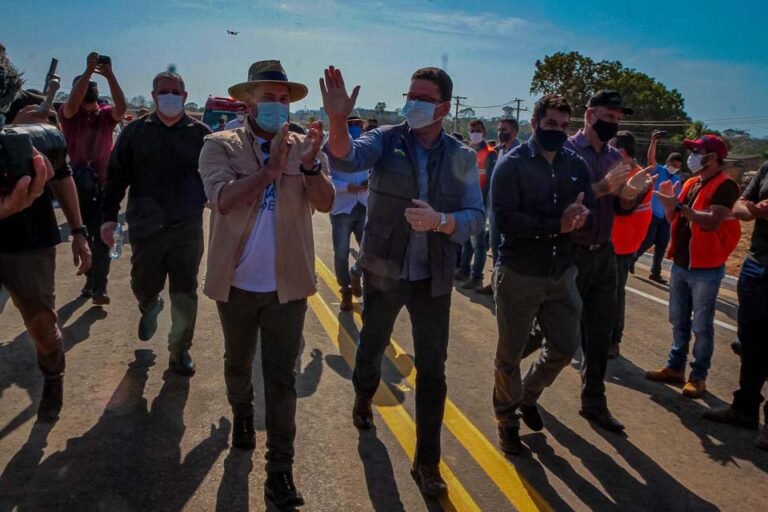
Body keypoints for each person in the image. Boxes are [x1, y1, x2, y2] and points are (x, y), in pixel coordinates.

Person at [321, 65, 484, 497]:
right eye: (411, 96)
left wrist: (442, 221)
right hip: (384, 270)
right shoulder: (386, 139)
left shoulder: (462, 157)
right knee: (372, 346)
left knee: (433, 370)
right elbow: (346, 158)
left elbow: (476, 216)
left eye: (423, 99)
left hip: (433, 277)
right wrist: (337, 120)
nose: (413, 104)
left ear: (444, 108)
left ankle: (427, 461)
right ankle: (364, 395)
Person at [199, 60, 333, 510]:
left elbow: (326, 203)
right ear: (247, 102)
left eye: (283, 99)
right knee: (238, 363)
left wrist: (310, 169)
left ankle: (280, 470)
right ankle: (241, 411)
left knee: (281, 379)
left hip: (286, 290)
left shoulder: (304, 147)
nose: (278, 106)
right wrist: (270, 170)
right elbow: (222, 199)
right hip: (236, 284)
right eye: (268, 98)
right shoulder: (219, 145)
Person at [490, 94, 594, 455]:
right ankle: (507, 419)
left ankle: (528, 394)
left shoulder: (575, 164)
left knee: (564, 347)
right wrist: (557, 225)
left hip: (561, 272)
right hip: (520, 272)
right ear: (534, 123)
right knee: (509, 354)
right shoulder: (512, 165)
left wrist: (581, 218)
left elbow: (586, 209)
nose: (558, 131)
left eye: (564, 126)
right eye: (551, 124)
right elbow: (505, 221)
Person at [0, 46, 92, 421]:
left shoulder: (30, 105)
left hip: (28, 241)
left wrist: (79, 230)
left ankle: (53, 376)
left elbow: (61, 173)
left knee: (42, 327)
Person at [100, 71, 211, 377]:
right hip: (145, 227)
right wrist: (108, 217)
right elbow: (115, 176)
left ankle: (180, 350)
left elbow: (213, 176)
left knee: (185, 292)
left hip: (187, 227)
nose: (169, 97)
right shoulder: (135, 132)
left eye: (175, 92)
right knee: (143, 283)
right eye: (163, 92)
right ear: (153, 96)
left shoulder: (201, 134)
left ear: (185, 96)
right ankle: (150, 304)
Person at [564, 90, 653, 433]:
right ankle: (519, 386)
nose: (613, 124)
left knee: (599, 335)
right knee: (554, 336)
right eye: (608, 117)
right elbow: (562, 199)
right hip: (571, 255)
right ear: (590, 116)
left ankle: (594, 402)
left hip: (604, 254)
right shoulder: (567, 151)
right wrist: (603, 186)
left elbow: (621, 207)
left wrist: (631, 193)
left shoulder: (615, 156)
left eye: (617, 119)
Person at [645, 135, 740, 398]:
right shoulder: (690, 183)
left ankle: (698, 376)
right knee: (678, 320)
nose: (692, 156)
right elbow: (675, 218)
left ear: (713, 157)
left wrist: (677, 206)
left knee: (701, 326)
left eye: (697, 151)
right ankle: (675, 367)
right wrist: (669, 205)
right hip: (681, 262)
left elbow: (712, 221)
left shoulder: (726, 185)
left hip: (706, 266)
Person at [703, 159, 768, 450]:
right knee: (750, 340)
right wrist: (754, 210)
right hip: (756, 265)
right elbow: (740, 205)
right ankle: (744, 408)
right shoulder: (767, 168)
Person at [59, 52, 127, 305]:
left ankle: (100, 286)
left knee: (104, 236)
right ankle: (91, 282)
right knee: (85, 234)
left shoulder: (106, 115)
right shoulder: (70, 115)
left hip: (103, 184)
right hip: (78, 184)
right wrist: (88, 72)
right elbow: (72, 104)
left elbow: (121, 108)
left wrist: (110, 76)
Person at [608, 131, 654, 358]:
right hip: (611, 242)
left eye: (611, 148)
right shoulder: (624, 172)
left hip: (621, 245)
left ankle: (613, 340)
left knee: (615, 296)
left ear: (621, 152)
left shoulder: (639, 177)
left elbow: (623, 208)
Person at [478, 118, 522, 296]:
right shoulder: (500, 151)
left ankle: (506, 286)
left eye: (504, 129)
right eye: (499, 129)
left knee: (506, 249)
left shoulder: (520, 153)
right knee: (495, 246)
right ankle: (495, 283)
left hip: (510, 210)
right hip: (494, 208)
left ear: (514, 131)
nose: (500, 132)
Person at [329, 115, 368, 311]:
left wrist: (370, 182)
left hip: (364, 206)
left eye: (357, 124)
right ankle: (345, 291)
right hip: (342, 208)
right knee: (341, 252)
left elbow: (376, 172)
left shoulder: (367, 147)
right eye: (350, 124)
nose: (354, 127)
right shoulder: (330, 147)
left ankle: (357, 272)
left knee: (369, 250)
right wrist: (346, 187)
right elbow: (325, 178)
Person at [637, 131, 683, 284]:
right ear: (668, 162)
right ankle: (631, 259)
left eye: (678, 167)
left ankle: (655, 273)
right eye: (673, 165)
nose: (675, 168)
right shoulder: (659, 170)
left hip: (665, 217)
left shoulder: (677, 179)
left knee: (662, 244)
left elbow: (677, 197)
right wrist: (653, 141)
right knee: (648, 240)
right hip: (653, 212)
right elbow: (651, 159)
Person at [456, 119, 496, 290]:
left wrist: (481, 204)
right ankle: (464, 269)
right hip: (466, 200)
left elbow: (490, 181)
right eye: (472, 131)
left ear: (484, 132)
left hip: (480, 203)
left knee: (478, 243)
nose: (475, 133)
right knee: (466, 239)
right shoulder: (468, 152)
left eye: (478, 130)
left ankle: (477, 276)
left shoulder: (490, 153)